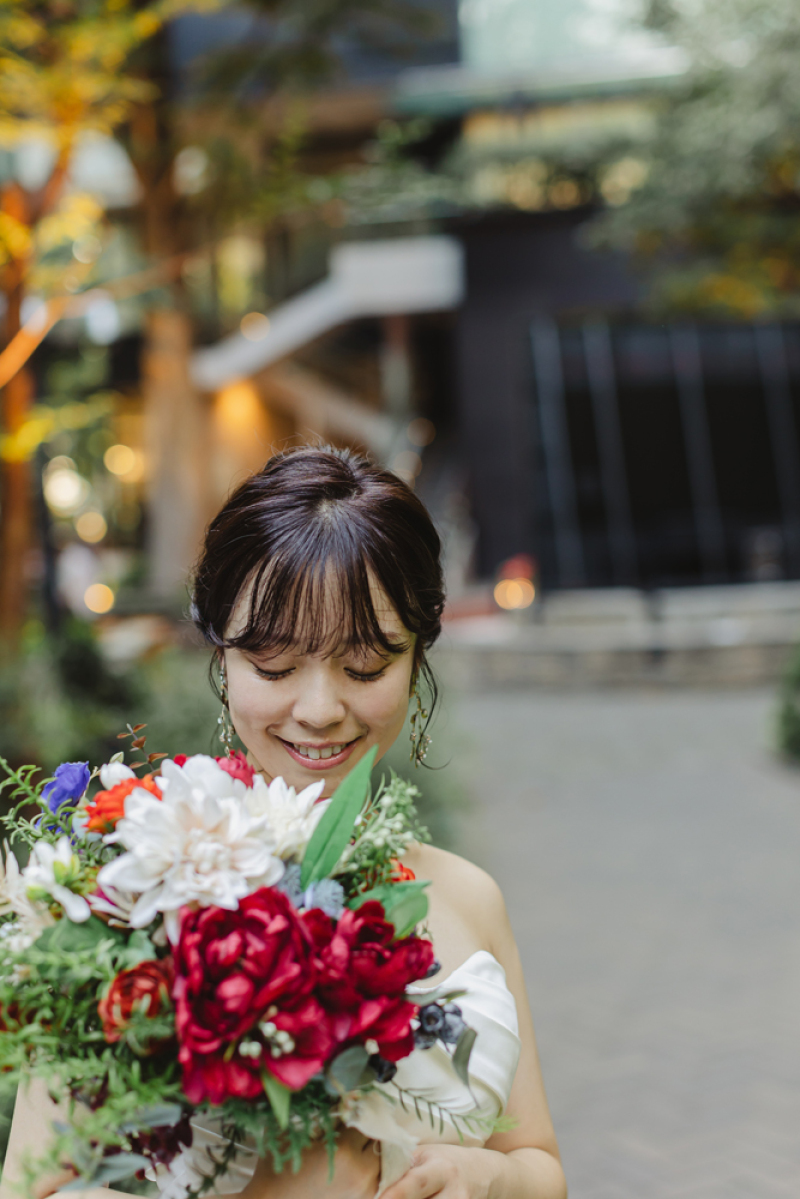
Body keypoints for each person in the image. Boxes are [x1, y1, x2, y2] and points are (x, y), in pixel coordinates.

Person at [1, 446, 566, 1199]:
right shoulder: (123, 901)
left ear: (417, 655)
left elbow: (541, 1164)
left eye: (366, 666)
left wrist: (486, 1176)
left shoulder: (469, 899)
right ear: (222, 656)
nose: (320, 708)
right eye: (274, 666)